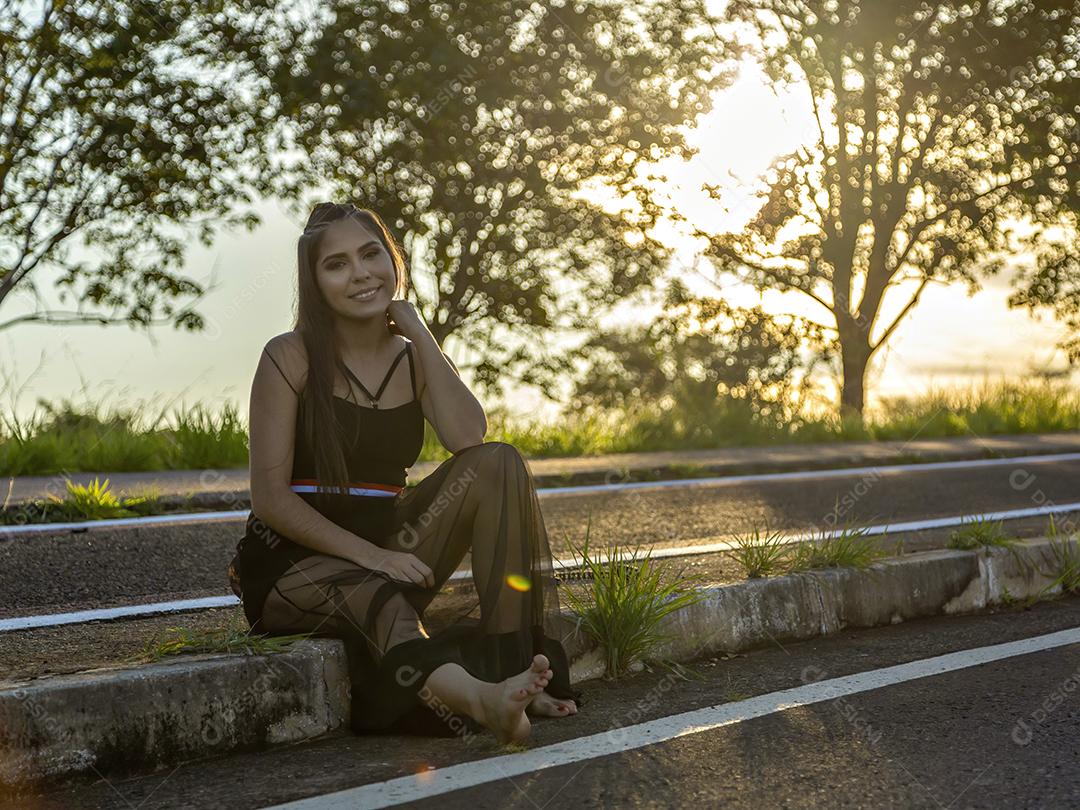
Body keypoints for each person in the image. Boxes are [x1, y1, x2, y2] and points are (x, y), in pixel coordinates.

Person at [226, 201, 579, 744]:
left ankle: (512, 673)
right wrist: (373, 558)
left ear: (393, 261)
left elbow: (469, 437)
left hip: (391, 543)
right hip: (294, 564)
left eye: (372, 255)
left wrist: (419, 330)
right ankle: (483, 701)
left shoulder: (412, 358)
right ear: (314, 282)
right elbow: (270, 499)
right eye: (336, 264)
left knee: (499, 462)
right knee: (380, 598)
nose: (360, 273)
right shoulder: (289, 356)